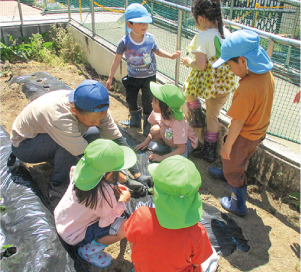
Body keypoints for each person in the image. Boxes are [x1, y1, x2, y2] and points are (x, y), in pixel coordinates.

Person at [10, 79, 150, 195]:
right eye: (92, 120)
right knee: (67, 147)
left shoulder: (96, 107)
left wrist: (137, 174)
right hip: (25, 145)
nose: (97, 123)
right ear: (74, 111)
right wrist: (125, 180)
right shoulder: (59, 116)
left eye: (100, 119)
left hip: (45, 135)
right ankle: (59, 188)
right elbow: (91, 157)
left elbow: (118, 140)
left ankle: (59, 161)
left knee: (93, 133)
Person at [208, 30, 274, 216]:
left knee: (232, 160)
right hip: (258, 132)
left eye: (230, 64)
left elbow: (238, 122)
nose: (229, 68)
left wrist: (227, 145)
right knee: (238, 160)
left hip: (244, 135)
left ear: (243, 61)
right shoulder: (266, 75)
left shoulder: (247, 88)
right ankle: (229, 170)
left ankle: (237, 203)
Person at [124, 155, 218, 272]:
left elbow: (133, 246)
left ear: (154, 191)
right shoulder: (197, 232)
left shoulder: (140, 215)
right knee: (213, 256)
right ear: (196, 194)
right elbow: (196, 263)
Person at [54, 139, 137, 268]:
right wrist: (122, 201)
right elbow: (107, 220)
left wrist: (122, 182)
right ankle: (89, 251)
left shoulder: (80, 173)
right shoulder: (104, 193)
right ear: (109, 173)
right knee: (126, 227)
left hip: (63, 221)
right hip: (75, 236)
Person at [106, 3, 181, 136]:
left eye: (146, 23)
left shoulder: (150, 39)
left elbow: (157, 51)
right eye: (140, 23)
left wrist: (170, 56)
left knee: (148, 102)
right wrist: (110, 77)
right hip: (133, 77)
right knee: (131, 99)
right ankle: (135, 120)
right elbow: (116, 59)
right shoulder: (124, 42)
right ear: (129, 24)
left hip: (149, 77)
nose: (144, 26)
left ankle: (147, 125)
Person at [180, 0, 238, 163]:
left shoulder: (202, 36)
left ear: (201, 18)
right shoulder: (225, 32)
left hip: (210, 86)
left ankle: (199, 126)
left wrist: (188, 62)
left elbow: (200, 65)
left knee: (190, 93)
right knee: (213, 116)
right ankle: (210, 150)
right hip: (225, 84)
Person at [134, 82, 199, 162]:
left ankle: (173, 153)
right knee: (155, 129)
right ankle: (166, 148)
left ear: (168, 108)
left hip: (185, 144)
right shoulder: (157, 112)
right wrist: (146, 141)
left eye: (155, 102)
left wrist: (162, 158)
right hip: (170, 136)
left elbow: (182, 148)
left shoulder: (178, 122)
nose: (152, 103)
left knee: (163, 130)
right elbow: (153, 131)